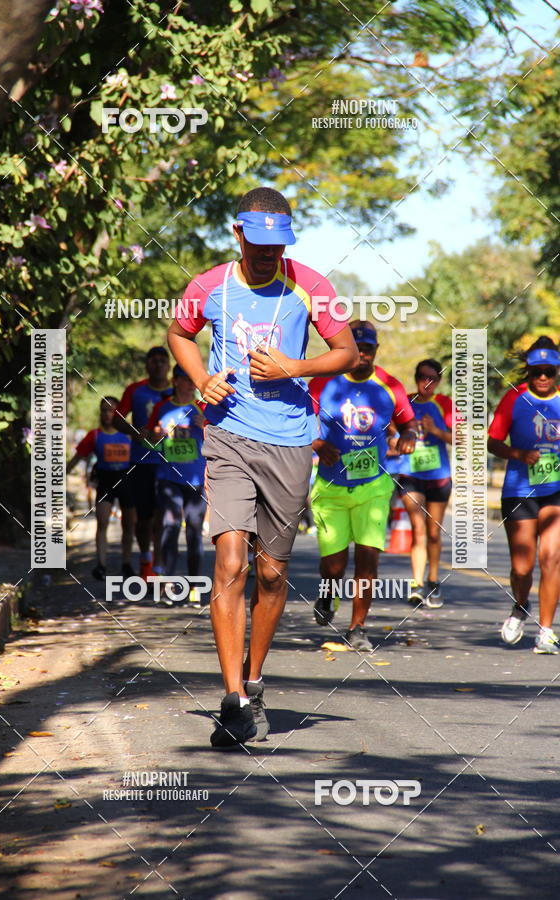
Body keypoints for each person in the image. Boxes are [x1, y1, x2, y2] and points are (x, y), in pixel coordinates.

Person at [167, 186, 359, 748]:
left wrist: (292, 367)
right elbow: (179, 334)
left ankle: (255, 679)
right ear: (238, 235)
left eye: (278, 246)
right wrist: (201, 380)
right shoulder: (209, 285)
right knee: (230, 559)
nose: (268, 255)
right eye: (258, 245)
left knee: (272, 573)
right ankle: (234, 699)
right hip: (228, 435)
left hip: (291, 442)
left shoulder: (311, 286)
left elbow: (347, 352)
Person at [310, 321, 417, 649]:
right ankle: (328, 594)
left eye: (368, 349)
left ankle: (358, 628)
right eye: (357, 349)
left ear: (375, 350)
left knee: (368, 558)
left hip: (374, 486)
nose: (363, 355)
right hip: (330, 486)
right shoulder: (322, 382)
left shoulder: (390, 385)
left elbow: (408, 422)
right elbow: (297, 420)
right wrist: (316, 443)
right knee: (333, 565)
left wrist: (409, 436)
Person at [488, 336, 560, 654]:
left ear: (557, 371)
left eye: (549, 371)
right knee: (522, 567)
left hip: (555, 491)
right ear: (528, 371)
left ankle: (546, 631)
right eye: (536, 371)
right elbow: (492, 441)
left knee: (552, 559)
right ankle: (520, 606)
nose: (542, 377)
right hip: (520, 490)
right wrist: (517, 453)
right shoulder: (514, 398)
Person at [143, 365, 207, 605]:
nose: (191, 383)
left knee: (194, 530)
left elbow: (221, 438)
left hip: (196, 480)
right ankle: (167, 583)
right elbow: (148, 438)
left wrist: (206, 426)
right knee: (170, 525)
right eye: (186, 379)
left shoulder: (202, 407)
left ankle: (195, 585)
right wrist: (155, 435)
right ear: (176, 381)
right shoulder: (162, 407)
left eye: (193, 380)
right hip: (168, 477)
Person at [395, 358, 453, 607]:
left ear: (439, 381)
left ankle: (433, 581)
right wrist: (395, 441)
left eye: (432, 378)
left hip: (439, 477)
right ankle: (417, 584)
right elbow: (390, 432)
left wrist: (436, 431)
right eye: (422, 377)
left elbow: (461, 438)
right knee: (418, 529)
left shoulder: (444, 404)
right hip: (411, 475)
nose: (426, 383)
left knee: (433, 533)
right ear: (416, 378)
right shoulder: (405, 403)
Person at [113, 346, 173, 580]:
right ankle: (145, 555)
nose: (158, 365)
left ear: (168, 366)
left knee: (162, 516)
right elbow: (117, 419)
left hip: (169, 462)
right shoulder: (135, 390)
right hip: (140, 462)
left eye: (162, 361)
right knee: (143, 520)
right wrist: (134, 431)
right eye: (153, 361)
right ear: (147, 365)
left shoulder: (176, 390)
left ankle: (157, 565)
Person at [67, 396, 135, 580]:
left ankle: (127, 564)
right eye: (104, 410)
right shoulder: (95, 435)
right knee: (102, 521)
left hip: (127, 481)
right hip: (105, 482)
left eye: (112, 410)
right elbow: (78, 457)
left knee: (129, 524)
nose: (107, 414)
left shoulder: (129, 434)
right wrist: (61, 473)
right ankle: (101, 565)